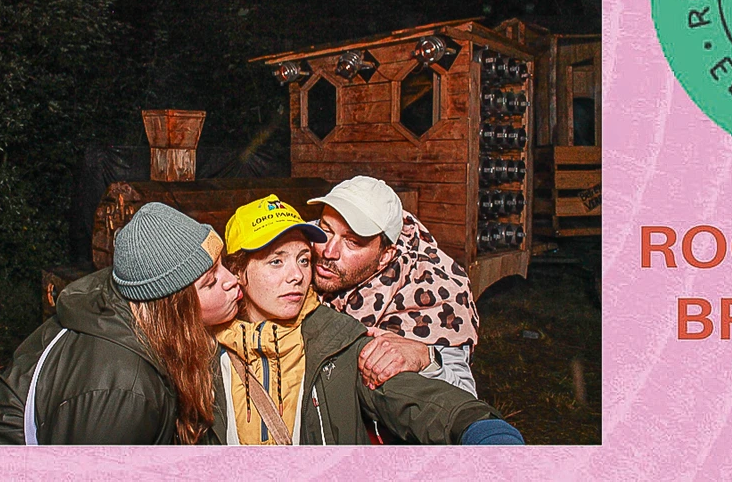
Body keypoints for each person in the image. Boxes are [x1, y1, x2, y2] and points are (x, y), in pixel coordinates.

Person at [210, 195, 521, 445]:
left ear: (384, 255)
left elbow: (415, 398)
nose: (297, 275)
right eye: (276, 261)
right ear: (237, 271)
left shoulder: (340, 342)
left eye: (303, 260)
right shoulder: (202, 349)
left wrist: (481, 428)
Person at [0, 202, 243, 444]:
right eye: (210, 281)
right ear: (172, 308)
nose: (232, 280)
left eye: (222, 265)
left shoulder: (134, 314)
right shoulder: (124, 391)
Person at [309, 176, 480, 395]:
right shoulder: (307, 241)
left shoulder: (436, 290)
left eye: (352, 242)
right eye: (326, 229)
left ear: (385, 256)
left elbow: (465, 394)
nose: (328, 252)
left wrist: (426, 359)